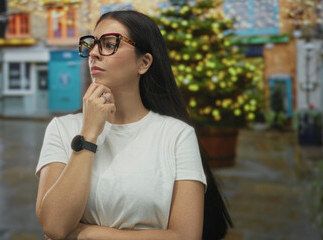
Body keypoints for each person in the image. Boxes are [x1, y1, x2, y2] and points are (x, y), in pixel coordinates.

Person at [35, 10, 232, 240]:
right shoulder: (62, 128)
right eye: (93, 44)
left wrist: (86, 234)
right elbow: (54, 226)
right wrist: (89, 134)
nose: (95, 53)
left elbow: (186, 236)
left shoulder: (177, 135)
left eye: (109, 44)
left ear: (144, 62)